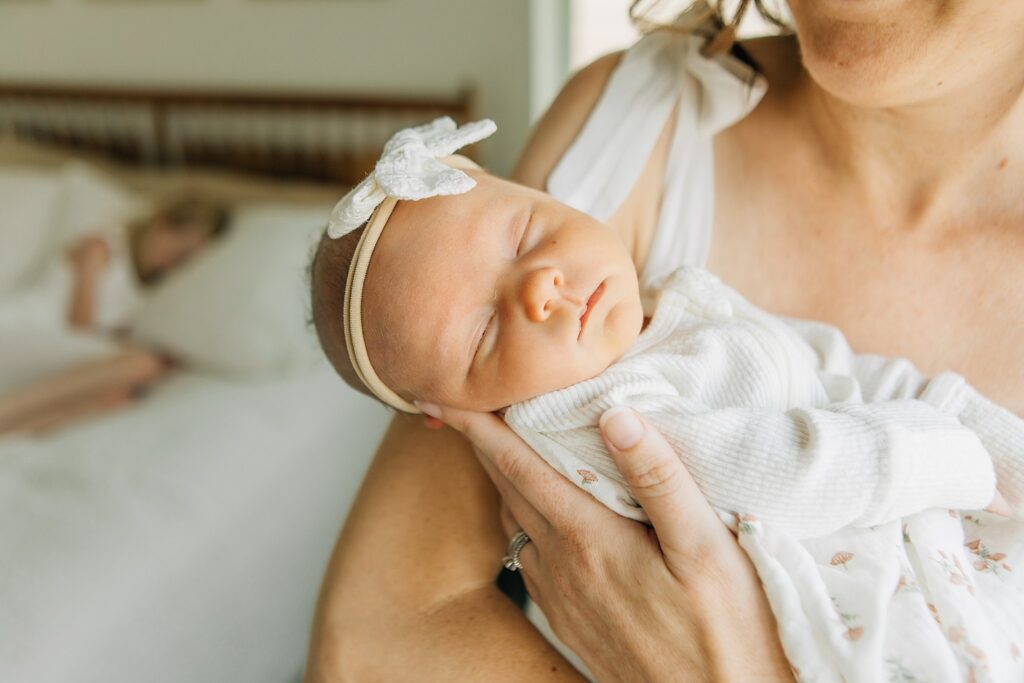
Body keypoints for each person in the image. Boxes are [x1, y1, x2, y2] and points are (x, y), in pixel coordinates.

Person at [304, 1, 1024, 680]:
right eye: (488, 329)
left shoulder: (661, 300)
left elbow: (835, 374)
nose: (539, 289)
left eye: (525, 234)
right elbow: (371, 638)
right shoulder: (636, 126)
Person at [0, 192, 230, 436]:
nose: (173, 264)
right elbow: (81, 328)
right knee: (144, 365)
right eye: (178, 251)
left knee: (118, 398)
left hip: (45, 356)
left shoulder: (147, 291)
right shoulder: (100, 247)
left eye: (185, 261)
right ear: (162, 222)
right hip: (16, 332)